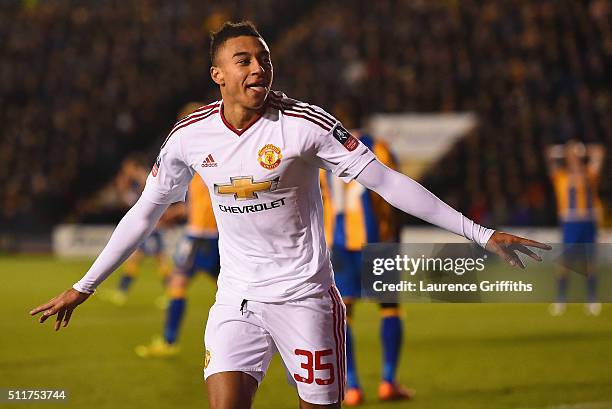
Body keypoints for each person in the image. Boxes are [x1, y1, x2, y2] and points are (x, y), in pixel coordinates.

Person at [30, 21, 549, 409]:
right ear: (218, 75)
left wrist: (478, 234)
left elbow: (387, 183)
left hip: (306, 299)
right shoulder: (189, 138)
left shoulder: (303, 124)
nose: (258, 67)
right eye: (243, 59)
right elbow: (144, 214)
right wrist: (85, 285)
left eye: (263, 58)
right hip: (237, 300)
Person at [320, 131, 413, 405]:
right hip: (376, 241)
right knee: (389, 307)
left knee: (345, 314)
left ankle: (352, 387)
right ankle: (387, 381)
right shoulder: (378, 147)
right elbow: (392, 191)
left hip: (337, 242)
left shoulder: (324, 148)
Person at [136, 171, 220, 357]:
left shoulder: (205, 165)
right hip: (207, 234)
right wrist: (175, 213)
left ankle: (169, 341)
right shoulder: (202, 167)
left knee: (180, 284)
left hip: (201, 236)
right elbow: (197, 204)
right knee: (225, 287)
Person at [99, 155, 172, 306]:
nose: (126, 170)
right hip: (149, 225)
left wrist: (160, 220)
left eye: (128, 167)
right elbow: (131, 202)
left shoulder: (147, 178)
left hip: (152, 226)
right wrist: (123, 187)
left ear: (135, 166)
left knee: (159, 259)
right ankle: (122, 292)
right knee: (140, 258)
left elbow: (157, 199)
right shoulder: (138, 183)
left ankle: (172, 294)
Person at [546, 140, 605, 316]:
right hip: (570, 222)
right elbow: (549, 155)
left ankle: (592, 299)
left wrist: (582, 150)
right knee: (565, 262)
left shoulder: (589, 174)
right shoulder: (561, 176)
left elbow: (600, 152)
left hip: (587, 220)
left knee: (590, 262)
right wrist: (564, 151)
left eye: (576, 156)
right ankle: (561, 299)